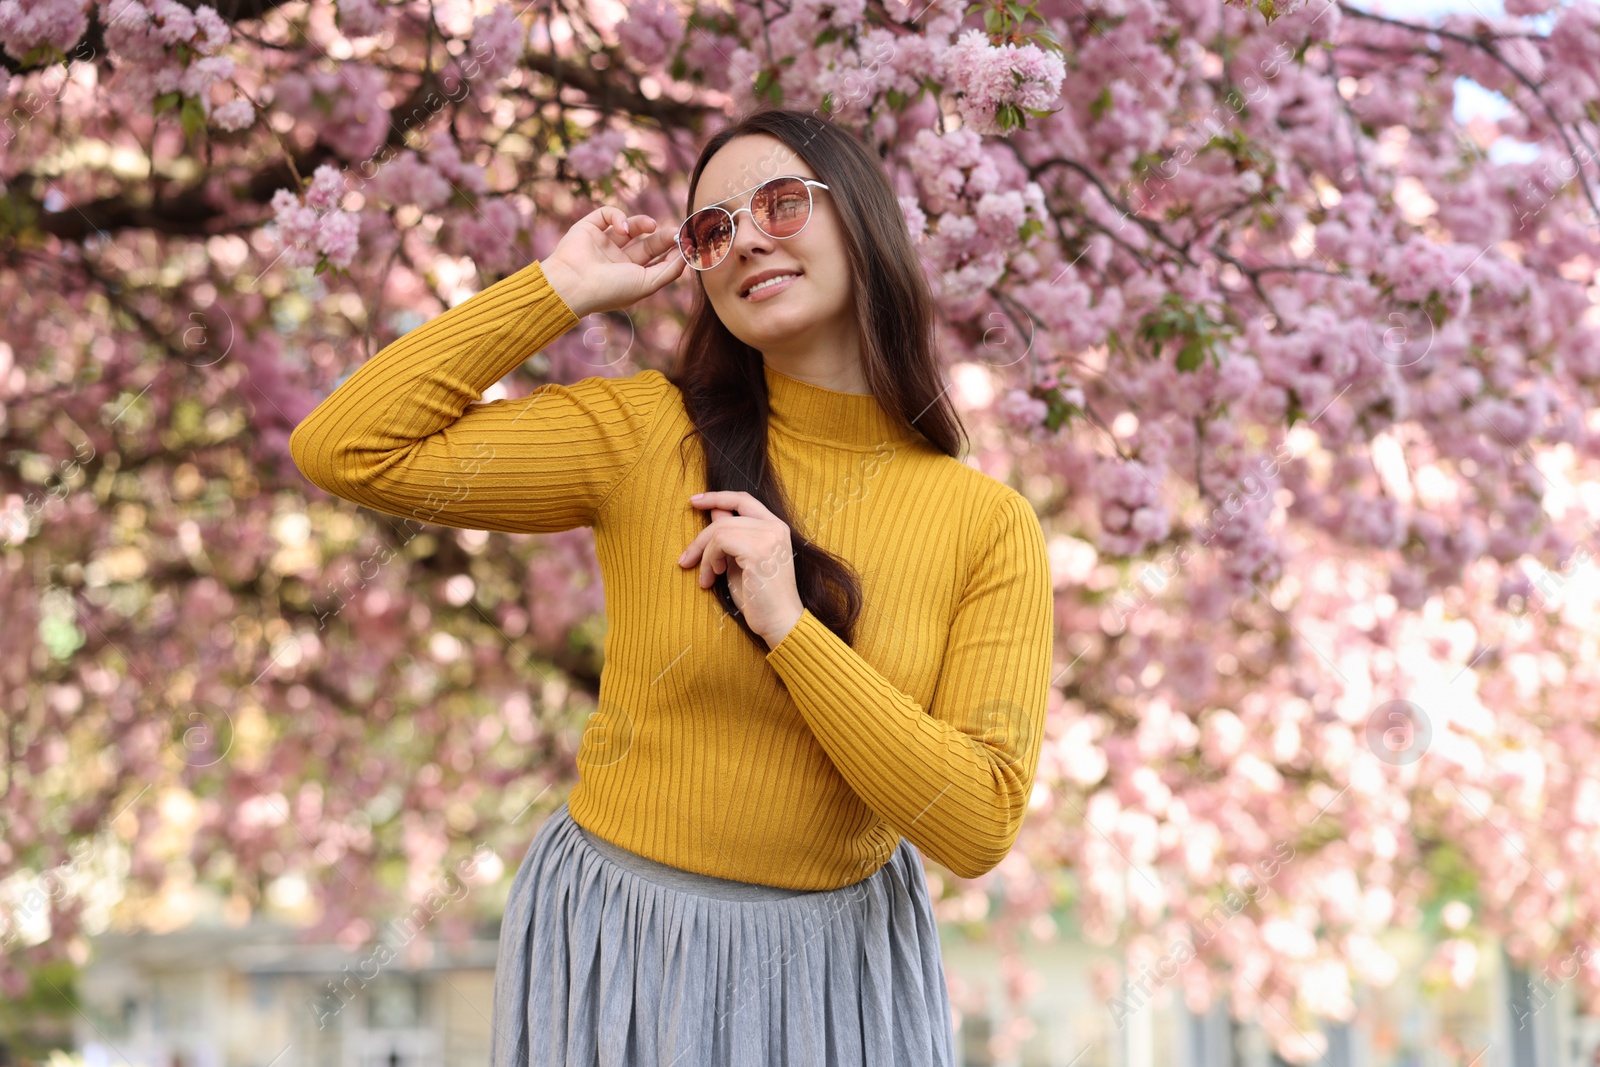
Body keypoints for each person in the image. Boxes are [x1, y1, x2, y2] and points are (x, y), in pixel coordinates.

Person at [288, 106, 1056, 1067]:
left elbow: (978, 821)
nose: (746, 242)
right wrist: (558, 289)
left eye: (781, 204)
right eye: (713, 230)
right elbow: (346, 447)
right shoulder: (649, 435)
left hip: (839, 977)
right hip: (624, 948)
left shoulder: (986, 525)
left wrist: (790, 627)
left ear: (860, 221)